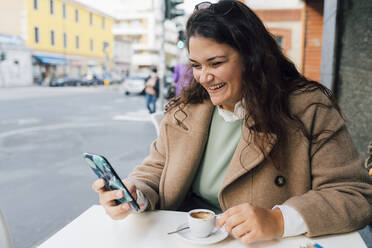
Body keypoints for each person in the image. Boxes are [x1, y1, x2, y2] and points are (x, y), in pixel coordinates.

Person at [92, 0, 372, 245]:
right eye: (196, 65)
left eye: (215, 63)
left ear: (252, 58)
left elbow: (353, 195)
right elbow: (157, 168)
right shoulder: (186, 108)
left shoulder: (308, 108)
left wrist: (278, 220)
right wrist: (134, 193)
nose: (203, 77)